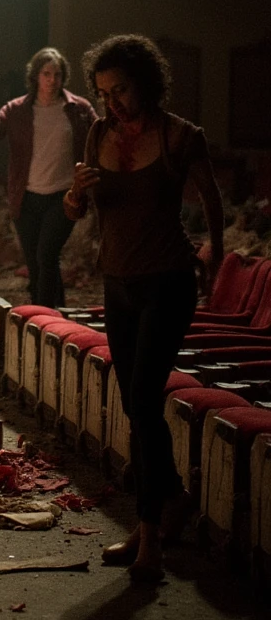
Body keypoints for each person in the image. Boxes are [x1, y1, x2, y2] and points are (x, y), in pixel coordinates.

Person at [65, 34, 223, 584]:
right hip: (119, 282)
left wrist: (215, 251)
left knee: (142, 397)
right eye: (104, 92)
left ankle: (150, 535)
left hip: (167, 281)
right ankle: (172, 500)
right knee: (136, 406)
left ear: (146, 83)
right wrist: (73, 195)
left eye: (122, 90)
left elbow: (210, 197)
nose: (113, 102)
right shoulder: (97, 133)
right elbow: (79, 205)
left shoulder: (180, 135)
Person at [0, 47, 97, 308]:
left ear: (63, 77)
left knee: (47, 254)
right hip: (26, 198)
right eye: (46, 73)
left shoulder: (77, 108)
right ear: (36, 76)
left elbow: (101, 135)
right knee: (37, 262)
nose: (52, 80)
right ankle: (51, 318)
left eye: (57, 74)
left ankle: (45, 319)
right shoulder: (17, 110)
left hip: (64, 196)